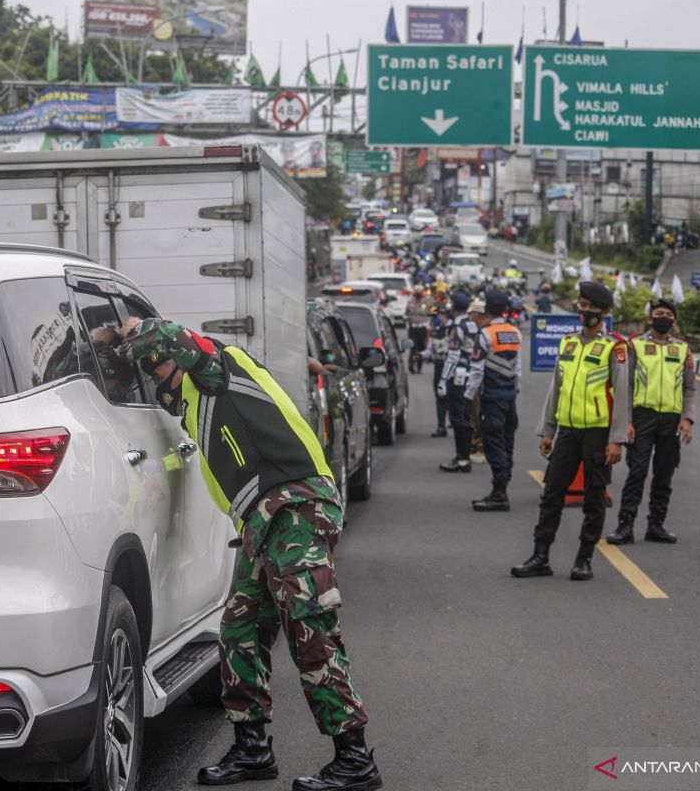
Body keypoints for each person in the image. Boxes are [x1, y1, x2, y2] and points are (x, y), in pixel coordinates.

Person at [116, 317, 382, 791]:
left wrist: (134, 330)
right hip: (263, 522)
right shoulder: (195, 398)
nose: (158, 385)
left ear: (177, 359)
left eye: (158, 373)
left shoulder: (217, 367)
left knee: (309, 627)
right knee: (239, 630)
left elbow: (172, 340)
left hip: (295, 505)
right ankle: (252, 749)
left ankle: (355, 759)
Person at [512, 281, 631, 582]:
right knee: (551, 493)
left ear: (604, 312)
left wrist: (616, 440)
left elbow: (622, 395)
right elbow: (557, 388)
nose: (585, 311)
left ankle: (584, 559)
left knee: (593, 498)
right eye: (582, 305)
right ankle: (540, 557)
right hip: (567, 432)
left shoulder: (614, 347)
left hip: (598, 434)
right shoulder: (568, 343)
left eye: (591, 307)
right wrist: (547, 430)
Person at [606, 299, 696, 545]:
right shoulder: (634, 345)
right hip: (641, 418)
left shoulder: (682, 349)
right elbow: (625, 386)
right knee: (637, 472)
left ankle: (656, 525)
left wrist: (687, 418)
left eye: (668, 314)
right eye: (659, 313)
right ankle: (625, 526)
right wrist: (626, 421)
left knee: (664, 475)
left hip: (670, 421)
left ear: (674, 321)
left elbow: (689, 388)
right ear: (649, 319)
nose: (663, 317)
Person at [466, 290, 522, 512]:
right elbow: (517, 369)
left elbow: (477, 370)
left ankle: (499, 494)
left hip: (492, 399)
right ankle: (502, 486)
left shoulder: (485, 334)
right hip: (510, 398)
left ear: (488, 311)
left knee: (493, 443)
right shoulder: (515, 332)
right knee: (507, 444)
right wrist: (514, 391)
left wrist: (467, 397)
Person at [438, 292, 480, 473]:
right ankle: (464, 456)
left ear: (453, 307)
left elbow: (453, 356)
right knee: (467, 415)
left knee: (457, 417)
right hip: (474, 373)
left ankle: (462, 459)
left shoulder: (457, 325)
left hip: (460, 376)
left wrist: (443, 380)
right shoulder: (472, 323)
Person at [427, 302, 451, 438]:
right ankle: (441, 426)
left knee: (453, 397)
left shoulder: (454, 330)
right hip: (439, 367)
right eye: (439, 315)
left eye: (443, 315)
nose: (440, 318)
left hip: (452, 368)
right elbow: (429, 351)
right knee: (440, 397)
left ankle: (456, 422)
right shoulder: (436, 332)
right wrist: (419, 355)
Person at [405, 290, 429, 374]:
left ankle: (419, 366)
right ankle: (411, 365)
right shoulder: (410, 304)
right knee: (413, 346)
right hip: (413, 328)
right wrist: (407, 318)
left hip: (422, 328)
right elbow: (406, 314)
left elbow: (429, 313)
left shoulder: (424, 304)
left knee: (421, 347)